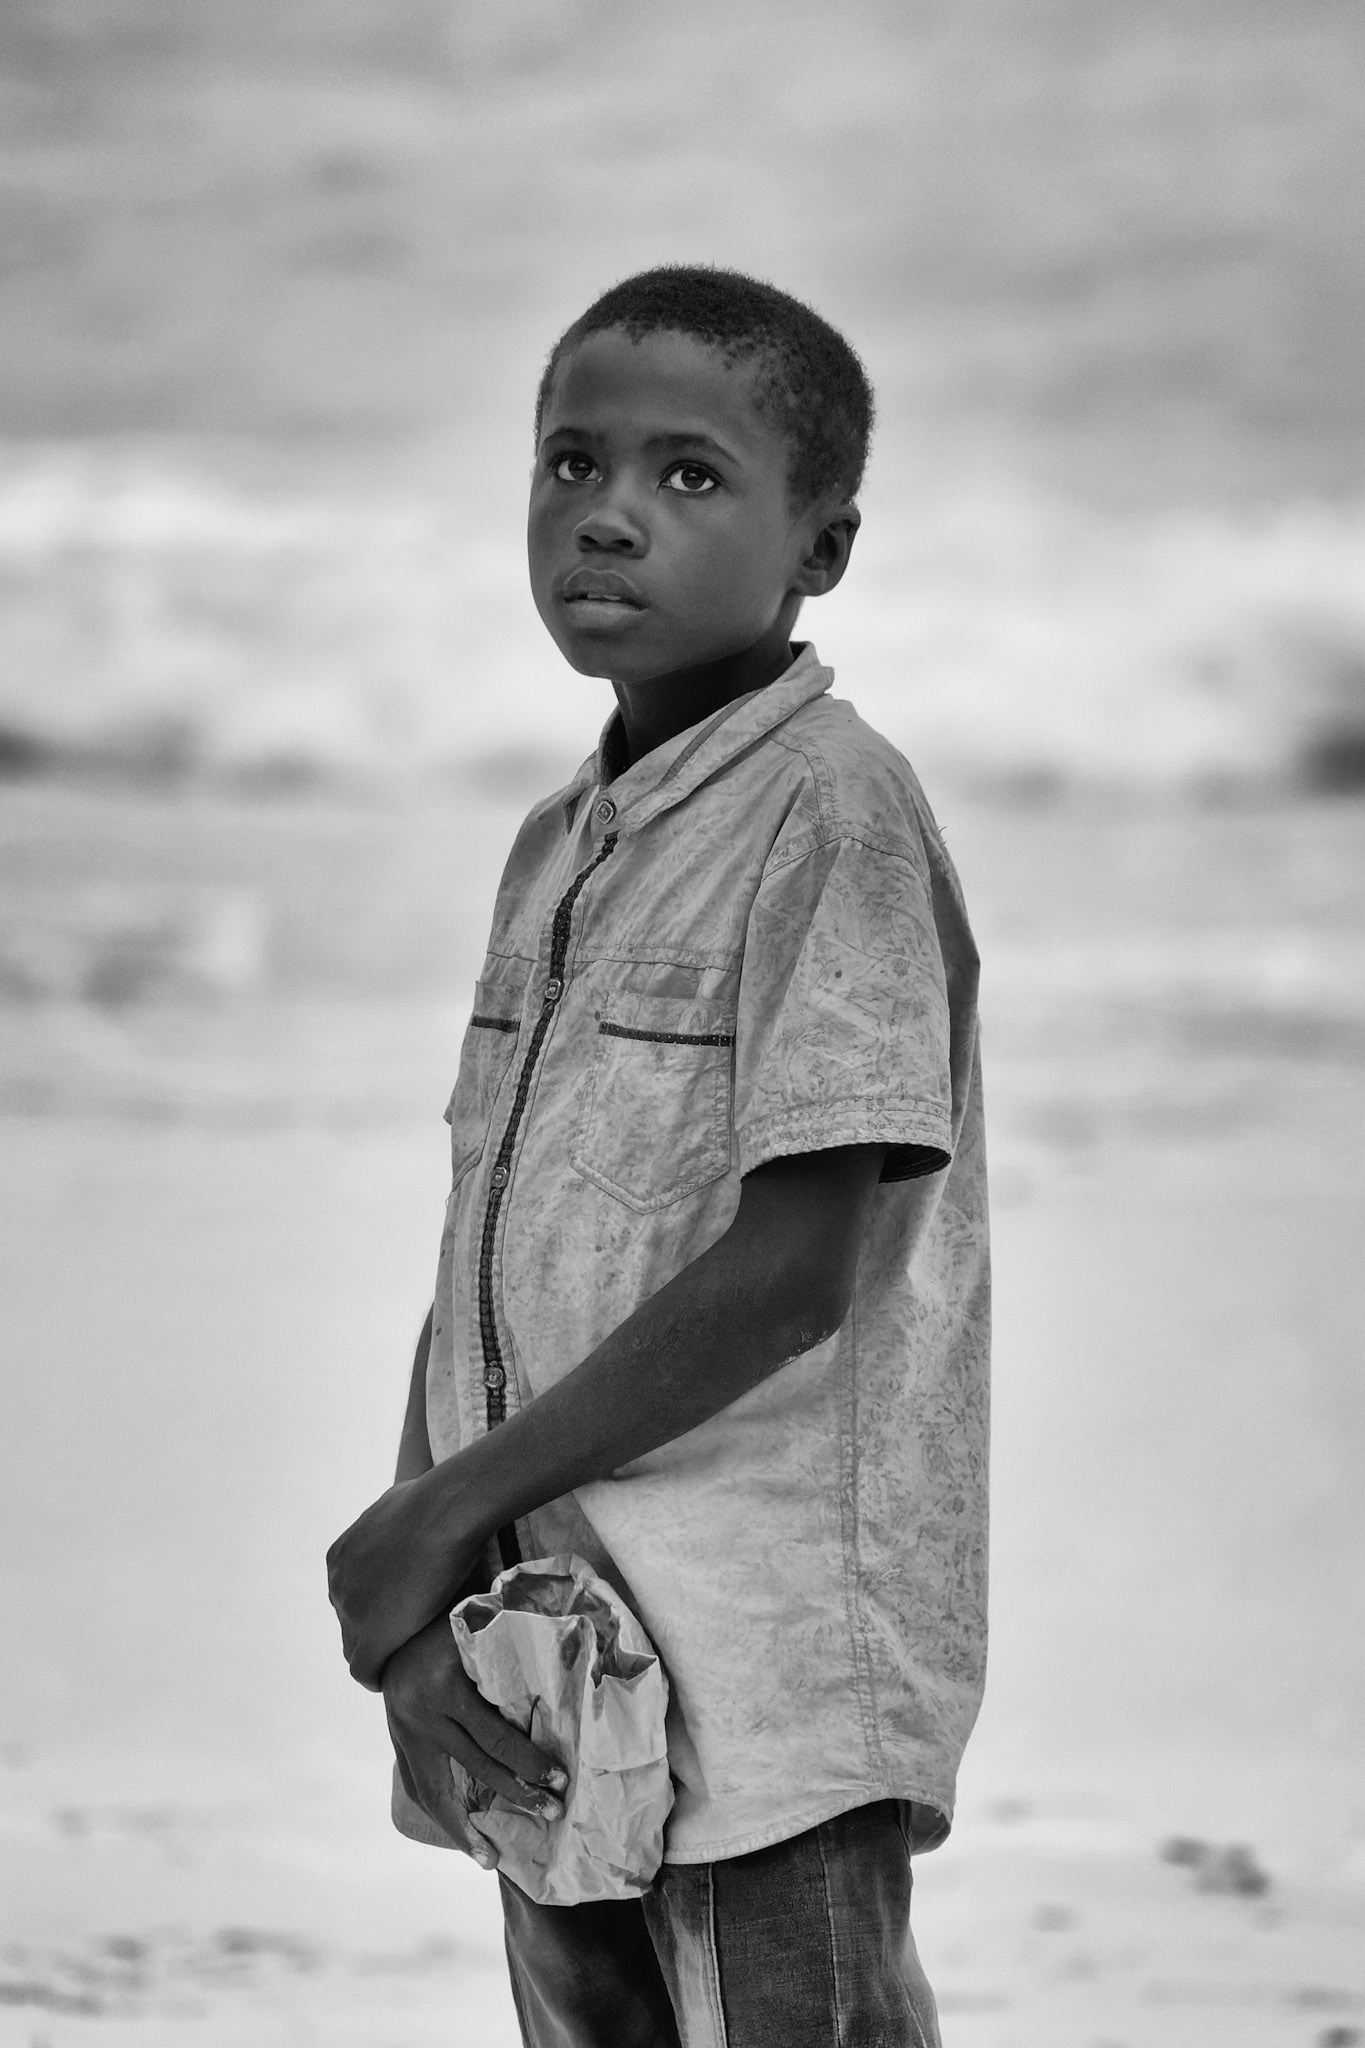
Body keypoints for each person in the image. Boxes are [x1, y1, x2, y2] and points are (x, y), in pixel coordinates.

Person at [327, 264, 988, 2048]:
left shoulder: (831, 816)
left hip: (765, 1664)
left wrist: (435, 1511)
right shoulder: (561, 841)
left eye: (689, 475)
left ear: (820, 547)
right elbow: (484, 1245)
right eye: (571, 463)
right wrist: (427, 1576)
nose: (606, 514)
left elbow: (791, 1276)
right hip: (548, 1654)